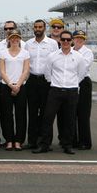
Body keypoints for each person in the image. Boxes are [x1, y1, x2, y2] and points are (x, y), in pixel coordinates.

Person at [33, 30, 90, 154]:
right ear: (59, 40)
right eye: (63, 39)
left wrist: (73, 83)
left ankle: (67, 145)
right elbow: (47, 73)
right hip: (55, 90)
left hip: (71, 91)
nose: (65, 42)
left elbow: (81, 74)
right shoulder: (52, 56)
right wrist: (55, 82)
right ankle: (45, 144)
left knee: (69, 120)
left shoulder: (78, 57)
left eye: (68, 40)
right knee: (48, 118)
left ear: (72, 41)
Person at [24, 19, 59, 148]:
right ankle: (32, 141)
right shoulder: (28, 44)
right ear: (33, 28)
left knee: (46, 113)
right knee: (32, 112)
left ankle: (45, 141)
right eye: (36, 27)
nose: (38, 29)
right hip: (32, 80)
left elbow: (56, 62)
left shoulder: (53, 43)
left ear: (45, 28)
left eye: (40, 27)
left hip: (46, 81)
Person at [0, 29, 30, 151]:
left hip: (21, 86)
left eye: (17, 37)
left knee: (21, 115)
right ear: (9, 39)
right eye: (12, 37)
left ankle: (18, 141)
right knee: (7, 115)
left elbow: (26, 71)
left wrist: (18, 85)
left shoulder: (25, 53)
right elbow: (2, 71)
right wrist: (11, 85)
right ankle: (9, 140)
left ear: (20, 39)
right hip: (6, 86)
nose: (15, 40)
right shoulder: (3, 53)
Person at [72, 30, 94, 150]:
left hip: (83, 82)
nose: (79, 40)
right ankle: (73, 140)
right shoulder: (70, 50)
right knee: (71, 113)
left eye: (81, 38)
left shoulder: (87, 52)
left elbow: (83, 68)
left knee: (84, 113)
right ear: (73, 39)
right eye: (77, 38)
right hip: (70, 82)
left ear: (84, 40)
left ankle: (85, 141)